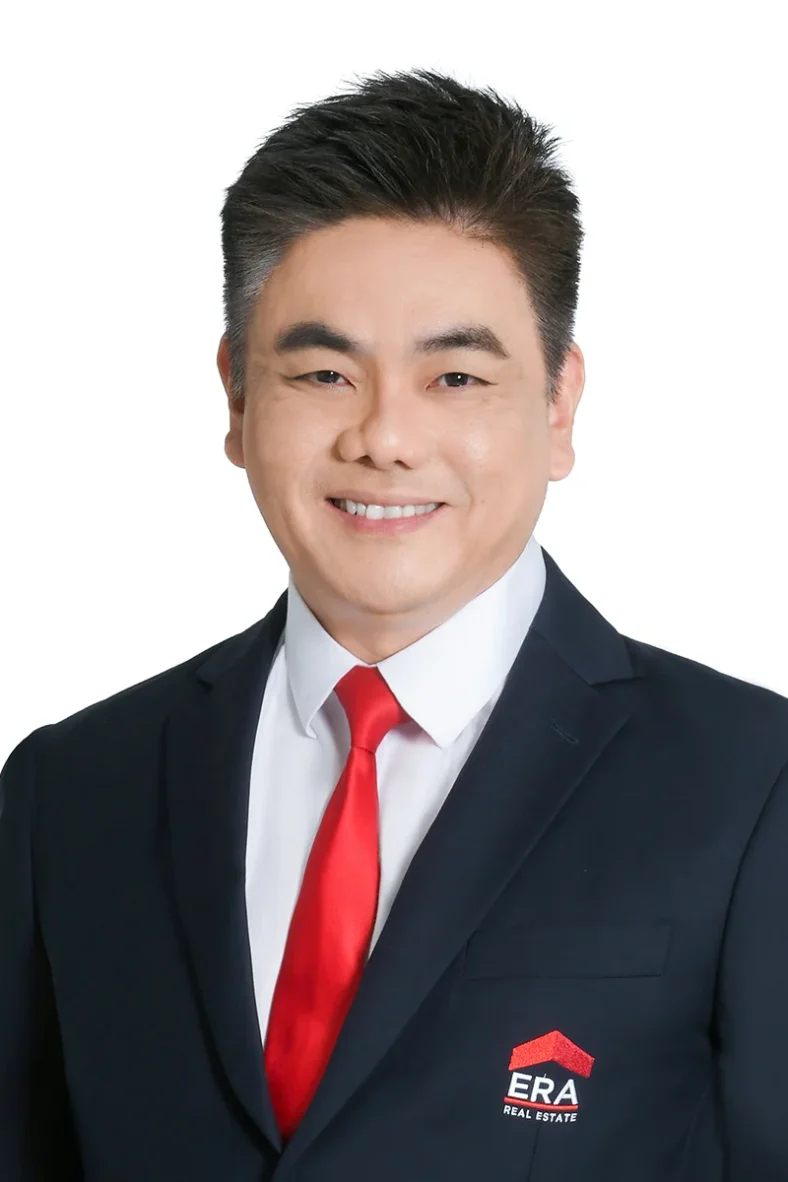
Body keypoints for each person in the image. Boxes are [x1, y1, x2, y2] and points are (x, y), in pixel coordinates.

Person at [1, 66, 787, 1182]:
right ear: (237, 397)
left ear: (559, 403)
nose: (384, 438)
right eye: (325, 372)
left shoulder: (751, 785)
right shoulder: (71, 789)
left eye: (455, 377)